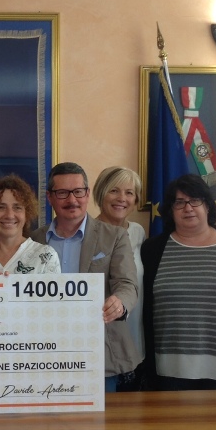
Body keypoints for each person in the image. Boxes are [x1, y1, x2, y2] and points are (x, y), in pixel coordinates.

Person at [30, 162, 139, 393]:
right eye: (62, 193)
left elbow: (127, 284)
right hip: (44, 353)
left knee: (103, 417)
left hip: (99, 352)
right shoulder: (33, 240)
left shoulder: (115, 236)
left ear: (88, 194)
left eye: (78, 191)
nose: (72, 200)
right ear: (50, 197)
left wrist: (119, 302)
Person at [141, 174, 216, 390]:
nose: (188, 208)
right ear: (170, 210)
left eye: (195, 200)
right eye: (179, 202)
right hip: (169, 371)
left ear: (207, 206)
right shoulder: (152, 249)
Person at [93, 166, 146, 365]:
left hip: (135, 339)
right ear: (101, 193)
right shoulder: (87, 234)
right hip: (102, 343)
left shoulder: (138, 232)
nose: (122, 198)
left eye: (129, 193)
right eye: (114, 190)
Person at [0, 174, 60, 274]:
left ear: (27, 214)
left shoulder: (46, 256)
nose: (9, 215)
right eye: (1, 207)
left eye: (17, 207)